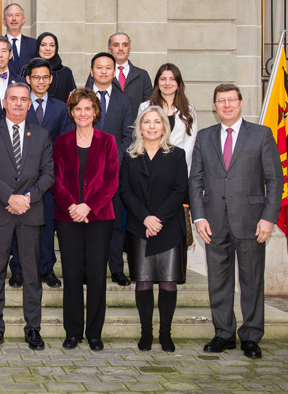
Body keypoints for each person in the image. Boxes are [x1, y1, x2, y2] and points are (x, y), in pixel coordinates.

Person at [189, 84, 283, 359]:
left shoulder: (261, 135)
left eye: (231, 100)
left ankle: (251, 337)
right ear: (215, 106)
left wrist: (268, 218)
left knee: (251, 280)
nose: (227, 105)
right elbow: (195, 179)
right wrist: (199, 217)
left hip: (252, 221)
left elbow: (274, 181)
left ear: (240, 103)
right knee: (218, 280)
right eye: (221, 101)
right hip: (214, 221)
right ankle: (224, 334)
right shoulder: (205, 137)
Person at [0, 83, 54, 350]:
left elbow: (48, 175)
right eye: (14, 99)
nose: (19, 104)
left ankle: (33, 328)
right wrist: (9, 197)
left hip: (30, 213)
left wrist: (27, 198)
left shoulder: (42, 135)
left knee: (32, 274)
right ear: (5, 101)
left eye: (24, 99)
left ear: (30, 103)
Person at [51, 88, 119, 351]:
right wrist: (73, 206)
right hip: (68, 218)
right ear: (72, 112)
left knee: (96, 276)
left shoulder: (108, 141)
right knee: (71, 275)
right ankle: (72, 332)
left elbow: (112, 181)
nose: (83, 113)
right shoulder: (62, 142)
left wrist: (88, 207)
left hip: (99, 217)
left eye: (87, 108)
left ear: (95, 112)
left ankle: (94, 333)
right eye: (78, 108)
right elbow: (55, 180)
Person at [120, 106, 188, 352]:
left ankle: (165, 334)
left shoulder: (177, 155)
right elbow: (125, 191)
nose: (151, 126)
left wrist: (157, 219)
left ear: (164, 127)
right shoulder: (130, 156)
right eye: (146, 122)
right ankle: (146, 333)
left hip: (169, 227)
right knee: (144, 282)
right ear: (139, 127)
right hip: (140, 228)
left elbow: (181, 190)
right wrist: (145, 218)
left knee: (168, 282)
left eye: (157, 122)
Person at [8, 57, 72, 289]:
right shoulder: (19, 105)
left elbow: (64, 142)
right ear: (28, 79)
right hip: (20, 176)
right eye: (36, 77)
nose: (41, 81)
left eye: (45, 77)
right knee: (18, 223)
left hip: (48, 177)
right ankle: (18, 270)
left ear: (51, 79)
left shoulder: (61, 108)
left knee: (46, 225)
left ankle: (47, 268)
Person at [86, 51, 134, 287]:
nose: (103, 71)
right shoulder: (81, 98)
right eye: (99, 67)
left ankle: (116, 269)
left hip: (114, 172)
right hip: (85, 173)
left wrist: (112, 160)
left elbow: (128, 135)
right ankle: (89, 269)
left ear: (114, 72)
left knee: (115, 223)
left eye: (108, 67)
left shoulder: (125, 101)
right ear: (92, 70)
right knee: (89, 221)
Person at [139, 63, 198, 170]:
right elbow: (140, 137)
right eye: (163, 79)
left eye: (172, 79)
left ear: (178, 83)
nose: (167, 83)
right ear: (157, 82)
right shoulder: (145, 107)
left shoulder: (189, 109)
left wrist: (180, 164)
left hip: (179, 166)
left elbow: (190, 141)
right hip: (150, 166)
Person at [85, 33, 153, 115]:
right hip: (104, 125)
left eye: (125, 45)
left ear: (129, 49)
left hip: (134, 126)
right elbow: (87, 101)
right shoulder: (98, 74)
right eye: (116, 45)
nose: (121, 48)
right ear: (109, 49)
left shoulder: (142, 75)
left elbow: (148, 106)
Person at [36, 33, 76, 103]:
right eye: (43, 45)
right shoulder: (27, 70)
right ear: (38, 47)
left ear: (56, 48)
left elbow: (73, 100)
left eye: (52, 45)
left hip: (61, 113)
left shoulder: (66, 72)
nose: (47, 49)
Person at [2, 3, 35, 76]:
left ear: (23, 20)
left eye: (17, 15)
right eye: (10, 15)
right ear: (4, 20)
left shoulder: (34, 44)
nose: (14, 18)